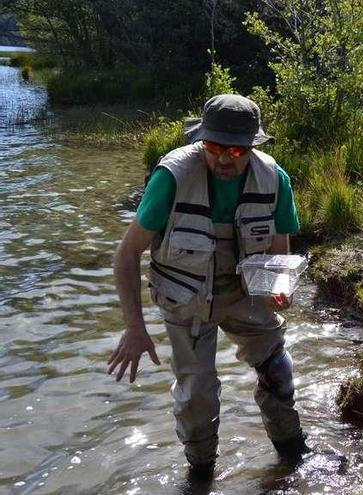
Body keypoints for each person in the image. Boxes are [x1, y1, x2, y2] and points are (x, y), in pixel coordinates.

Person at [107, 94, 307, 478]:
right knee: (197, 398)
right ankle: (200, 476)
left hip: (244, 295)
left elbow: (278, 251)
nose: (225, 159)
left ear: (252, 146)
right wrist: (135, 328)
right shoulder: (172, 177)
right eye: (215, 147)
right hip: (186, 299)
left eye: (236, 149)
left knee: (279, 372)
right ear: (201, 140)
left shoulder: (274, 179)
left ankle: (293, 459)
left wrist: (279, 288)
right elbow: (127, 253)